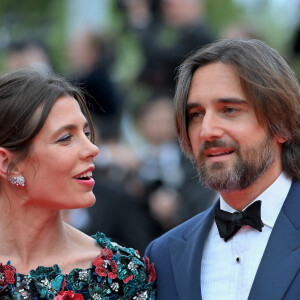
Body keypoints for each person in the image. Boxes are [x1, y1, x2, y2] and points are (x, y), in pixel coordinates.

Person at [145, 38, 300, 300]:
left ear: (281, 123)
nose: (207, 131)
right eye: (196, 114)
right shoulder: (163, 256)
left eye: (229, 110)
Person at [0, 68, 156, 299]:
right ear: (9, 164)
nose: (92, 149)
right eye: (65, 138)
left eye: (86, 132)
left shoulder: (122, 274)